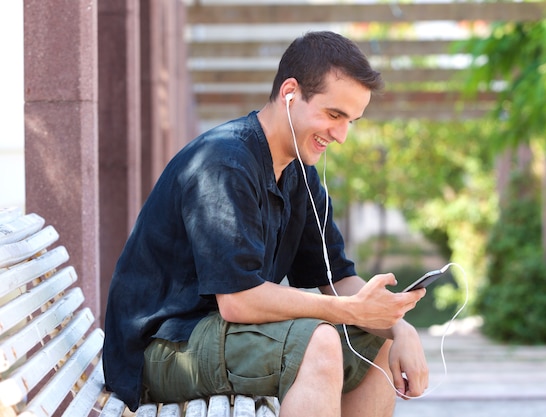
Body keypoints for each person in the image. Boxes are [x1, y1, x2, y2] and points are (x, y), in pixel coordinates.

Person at [103, 31, 428, 417]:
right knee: (320, 342)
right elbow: (239, 301)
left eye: (351, 122)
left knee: (371, 345)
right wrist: (353, 312)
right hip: (161, 349)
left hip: (220, 338)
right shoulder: (224, 162)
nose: (340, 135)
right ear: (290, 92)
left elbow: (336, 279)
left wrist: (396, 327)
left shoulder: (301, 175)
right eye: (333, 114)